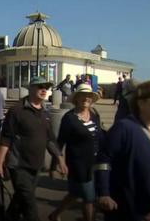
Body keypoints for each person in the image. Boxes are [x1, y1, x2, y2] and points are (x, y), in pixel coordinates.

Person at [0, 77, 68, 221]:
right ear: (31, 89)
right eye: (40, 86)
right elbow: (6, 139)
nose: (44, 90)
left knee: (20, 200)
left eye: (46, 87)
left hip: (36, 166)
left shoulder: (45, 113)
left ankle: (9, 217)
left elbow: (50, 140)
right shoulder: (17, 111)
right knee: (30, 206)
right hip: (18, 166)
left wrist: (60, 159)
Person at [95, 79, 150, 221]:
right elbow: (103, 159)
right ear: (141, 103)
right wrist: (104, 193)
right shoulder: (124, 128)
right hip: (127, 209)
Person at [49, 84, 102, 221]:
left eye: (89, 96)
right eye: (82, 96)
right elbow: (59, 142)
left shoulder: (94, 114)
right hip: (78, 164)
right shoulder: (69, 118)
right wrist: (55, 165)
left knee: (75, 193)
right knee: (89, 198)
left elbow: (99, 135)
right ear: (76, 99)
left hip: (95, 162)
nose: (86, 98)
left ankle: (55, 215)